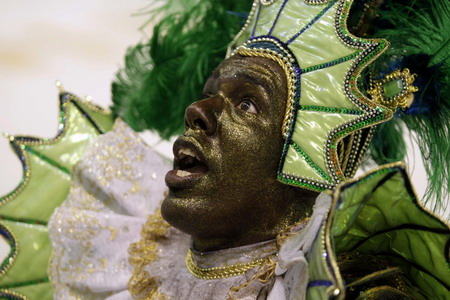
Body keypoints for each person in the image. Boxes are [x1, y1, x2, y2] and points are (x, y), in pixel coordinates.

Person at [1, 0, 450, 299]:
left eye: (247, 103)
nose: (196, 111)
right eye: (210, 93)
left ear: (304, 163)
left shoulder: (346, 287)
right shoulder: (121, 254)